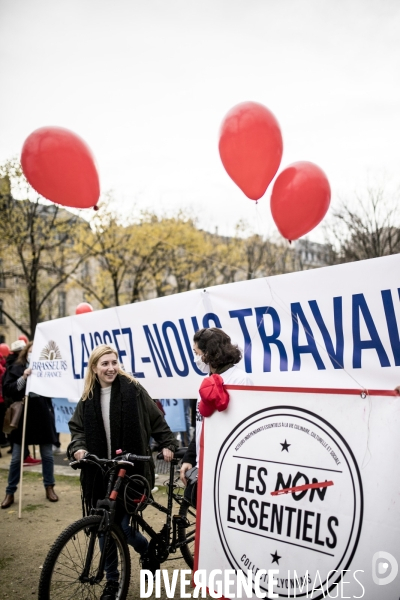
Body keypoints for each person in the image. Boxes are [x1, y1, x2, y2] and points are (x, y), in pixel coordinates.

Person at [68, 344, 178, 600]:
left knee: (123, 529)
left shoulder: (133, 390)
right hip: (98, 474)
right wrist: (79, 448)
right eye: (104, 364)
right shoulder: (88, 398)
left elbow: (156, 419)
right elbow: (77, 430)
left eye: (114, 362)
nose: (110, 368)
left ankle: (147, 550)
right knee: (104, 528)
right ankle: (112, 582)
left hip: (130, 471)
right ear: (94, 368)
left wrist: (168, 444)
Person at [180, 328, 253, 506]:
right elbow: (201, 424)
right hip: (204, 465)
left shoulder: (239, 380)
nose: (195, 358)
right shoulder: (208, 380)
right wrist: (190, 458)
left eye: (196, 353)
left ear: (208, 353)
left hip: (226, 469)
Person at [1, 341, 59, 509]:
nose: (33, 355)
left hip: (41, 414)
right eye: (30, 352)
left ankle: (49, 487)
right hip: (23, 416)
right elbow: (8, 390)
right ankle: (10, 492)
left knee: (47, 455)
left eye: (36, 352)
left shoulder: (47, 369)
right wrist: (24, 377)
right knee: (17, 458)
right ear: (26, 353)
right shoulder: (16, 368)